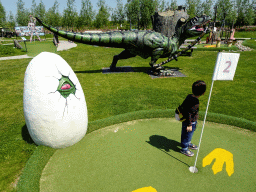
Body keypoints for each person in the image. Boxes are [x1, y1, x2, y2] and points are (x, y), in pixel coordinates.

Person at [180, 80, 206, 157]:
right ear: (203, 93)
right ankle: (184, 148)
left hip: (190, 121)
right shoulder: (195, 103)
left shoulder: (189, 96)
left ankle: (188, 143)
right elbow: (189, 113)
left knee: (189, 134)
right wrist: (189, 124)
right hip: (189, 122)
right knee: (187, 134)